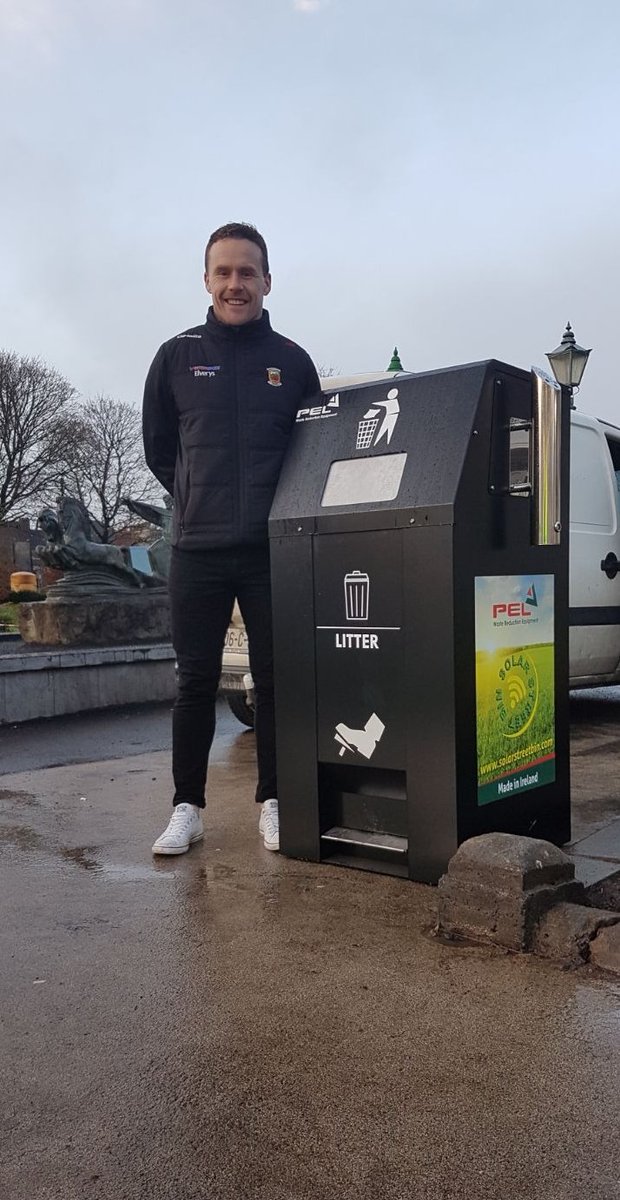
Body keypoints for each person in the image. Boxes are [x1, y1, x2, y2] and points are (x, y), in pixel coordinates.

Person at [143, 222, 320, 856]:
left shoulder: (294, 363)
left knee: (275, 682)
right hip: (199, 550)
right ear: (207, 280)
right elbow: (160, 451)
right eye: (224, 272)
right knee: (194, 682)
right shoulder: (176, 357)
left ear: (267, 281)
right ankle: (186, 807)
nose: (235, 284)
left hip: (275, 551)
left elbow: (311, 457)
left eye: (247, 272)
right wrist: (197, 502)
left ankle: (273, 801)